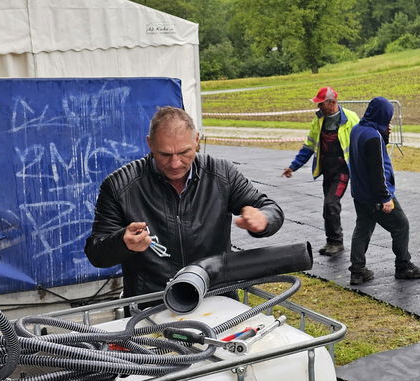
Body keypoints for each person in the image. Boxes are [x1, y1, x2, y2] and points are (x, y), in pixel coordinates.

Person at [85, 106, 284, 297]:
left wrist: (263, 219)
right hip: (151, 303)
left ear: (197, 140)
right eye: (165, 154)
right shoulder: (119, 186)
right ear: (149, 144)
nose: (175, 163)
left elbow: (270, 209)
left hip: (215, 295)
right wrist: (122, 242)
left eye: (184, 153)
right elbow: (96, 253)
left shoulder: (222, 174)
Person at [346, 96, 420, 285]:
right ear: (382, 115)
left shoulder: (358, 129)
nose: (389, 121)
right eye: (388, 117)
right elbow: (378, 169)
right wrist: (385, 198)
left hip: (360, 193)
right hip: (376, 195)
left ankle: (357, 271)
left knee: (363, 229)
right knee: (401, 226)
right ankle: (403, 265)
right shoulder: (373, 137)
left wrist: (382, 134)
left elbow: (366, 157)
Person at [282, 86, 359, 257]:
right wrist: (293, 166)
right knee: (327, 208)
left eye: (321, 104)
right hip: (327, 170)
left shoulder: (351, 119)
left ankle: (337, 242)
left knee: (331, 204)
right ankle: (331, 241)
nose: (319, 107)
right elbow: (309, 146)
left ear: (332, 103)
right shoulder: (318, 120)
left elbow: (362, 143)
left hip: (342, 171)